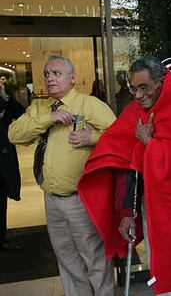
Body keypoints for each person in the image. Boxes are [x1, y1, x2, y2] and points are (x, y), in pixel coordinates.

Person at [78, 56, 171, 295]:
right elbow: (125, 167)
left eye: (143, 87)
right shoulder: (133, 113)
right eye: (133, 88)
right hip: (153, 213)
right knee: (164, 274)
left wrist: (149, 142)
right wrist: (126, 213)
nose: (137, 95)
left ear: (160, 82)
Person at [8, 55, 116, 295]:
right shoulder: (40, 108)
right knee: (67, 260)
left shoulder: (90, 105)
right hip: (52, 200)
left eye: (57, 73)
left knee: (95, 260)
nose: (50, 78)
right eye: (47, 74)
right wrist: (49, 119)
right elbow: (15, 134)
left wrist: (93, 138)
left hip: (82, 199)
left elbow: (120, 136)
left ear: (73, 78)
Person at [0, 81, 25, 251]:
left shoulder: (3, 100)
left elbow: (21, 114)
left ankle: (2, 239)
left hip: (3, 157)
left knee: (2, 198)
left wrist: (5, 96)